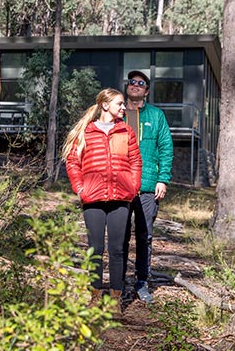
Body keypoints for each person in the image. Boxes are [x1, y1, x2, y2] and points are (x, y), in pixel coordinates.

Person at [63, 88, 142, 314]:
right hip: (93, 198)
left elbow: (136, 161)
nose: (123, 107)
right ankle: (95, 295)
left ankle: (115, 299)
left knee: (117, 249)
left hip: (121, 198)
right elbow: (73, 162)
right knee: (95, 249)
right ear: (106, 105)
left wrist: (133, 187)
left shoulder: (126, 131)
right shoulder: (86, 132)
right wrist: (80, 189)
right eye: (119, 104)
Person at [122, 70, 173, 304]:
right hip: (120, 187)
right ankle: (119, 283)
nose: (135, 85)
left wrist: (162, 179)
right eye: (132, 82)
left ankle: (142, 282)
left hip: (147, 187)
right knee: (119, 237)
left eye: (140, 83)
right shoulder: (117, 113)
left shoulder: (157, 115)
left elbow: (166, 148)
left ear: (146, 91)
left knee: (145, 236)